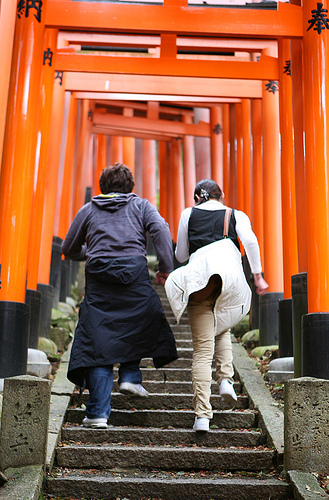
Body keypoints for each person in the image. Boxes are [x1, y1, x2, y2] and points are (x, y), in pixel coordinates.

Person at [62, 163, 178, 429]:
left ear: (103, 186)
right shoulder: (141, 206)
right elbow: (160, 229)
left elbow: (69, 247)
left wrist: (89, 253)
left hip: (99, 279)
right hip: (133, 272)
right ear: (130, 187)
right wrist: (165, 269)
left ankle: (97, 414)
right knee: (139, 319)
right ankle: (130, 377)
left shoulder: (88, 210)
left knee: (98, 344)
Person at [165, 179, 268, 432]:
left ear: (196, 198)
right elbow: (251, 242)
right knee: (221, 324)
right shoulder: (235, 215)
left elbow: (181, 256)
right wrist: (258, 276)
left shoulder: (188, 214)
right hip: (229, 280)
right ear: (220, 196)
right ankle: (226, 380)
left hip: (200, 283)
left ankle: (202, 416)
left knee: (202, 351)